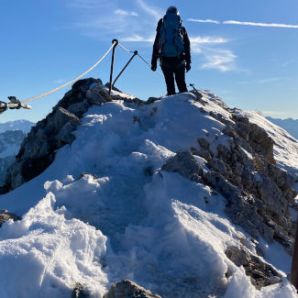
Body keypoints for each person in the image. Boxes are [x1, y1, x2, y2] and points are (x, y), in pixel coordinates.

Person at [151, 6, 191, 96]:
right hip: (179, 60)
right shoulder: (181, 28)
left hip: (165, 61)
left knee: (170, 87)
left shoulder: (162, 27)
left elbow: (156, 45)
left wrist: (153, 63)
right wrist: (188, 62)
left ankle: (170, 108)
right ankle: (186, 108)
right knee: (182, 86)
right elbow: (187, 46)